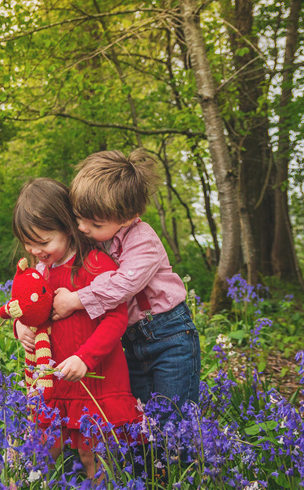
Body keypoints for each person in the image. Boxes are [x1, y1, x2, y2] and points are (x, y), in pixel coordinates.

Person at [52, 149, 201, 420]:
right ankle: (149, 463)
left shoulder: (143, 239)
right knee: (141, 417)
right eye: (78, 218)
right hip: (130, 341)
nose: (83, 228)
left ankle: (180, 463)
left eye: (94, 223)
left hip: (170, 336)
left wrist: (75, 300)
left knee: (173, 417)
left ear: (129, 216)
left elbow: (124, 284)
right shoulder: (97, 238)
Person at [11, 178, 142, 480]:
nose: (34, 250)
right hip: (55, 380)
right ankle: (32, 484)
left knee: (92, 450)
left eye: (43, 242)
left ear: (68, 227)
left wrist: (86, 358)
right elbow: (27, 311)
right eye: (28, 243)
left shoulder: (96, 265)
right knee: (45, 446)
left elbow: (116, 319)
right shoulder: (38, 274)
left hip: (96, 378)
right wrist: (21, 327)